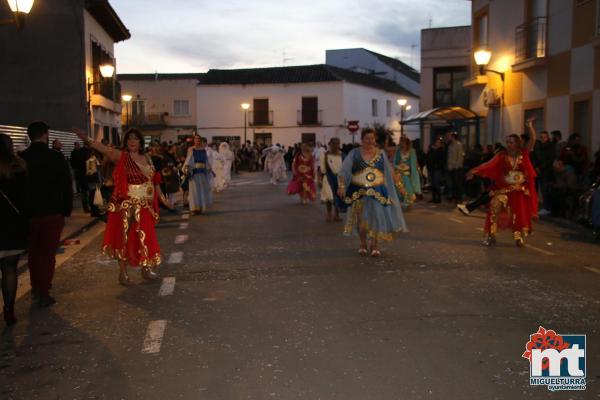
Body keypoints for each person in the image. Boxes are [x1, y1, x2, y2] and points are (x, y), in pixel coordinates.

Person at [74, 128, 170, 285]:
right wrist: (87, 139)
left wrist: (163, 198)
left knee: (145, 237)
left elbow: (155, 180)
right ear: (125, 142)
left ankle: (146, 268)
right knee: (124, 237)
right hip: (127, 205)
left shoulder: (147, 157)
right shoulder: (122, 157)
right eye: (129, 139)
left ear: (140, 142)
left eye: (135, 138)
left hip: (145, 206)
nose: (132, 141)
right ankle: (123, 273)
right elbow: (104, 149)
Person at [20, 122, 73, 306]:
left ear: (29, 136)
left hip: (29, 213)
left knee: (34, 253)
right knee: (48, 253)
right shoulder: (56, 157)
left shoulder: (21, 158)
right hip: (52, 211)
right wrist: (66, 209)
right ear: (45, 135)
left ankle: (36, 287)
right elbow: (66, 185)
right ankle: (44, 290)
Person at [466, 119, 538, 247]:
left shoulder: (523, 153)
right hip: (502, 189)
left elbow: (533, 140)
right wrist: (475, 171)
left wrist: (530, 127)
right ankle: (491, 236)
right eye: (507, 142)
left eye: (511, 142)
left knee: (518, 214)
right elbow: (488, 165)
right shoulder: (501, 155)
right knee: (494, 209)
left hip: (518, 190)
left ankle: (518, 237)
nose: (508, 144)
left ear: (517, 143)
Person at [337, 128, 407, 257]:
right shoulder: (354, 153)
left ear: (375, 140)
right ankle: (363, 244)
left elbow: (390, 171)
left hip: (377, 191)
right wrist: (341, 186)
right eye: (367, 138)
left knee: (376, 218)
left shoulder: (380, 154)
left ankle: (375, 246)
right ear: (362, 140)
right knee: (361, 220)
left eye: (372, 138)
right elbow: (344, 171)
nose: (370, 141)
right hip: (358, 191)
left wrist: (400, 186)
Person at [0, 134, 28, 325]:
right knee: (10, 269)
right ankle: (9, 309)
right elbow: (26, 197)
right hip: (11, 225)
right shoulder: (18, 167)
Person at [184, 135, 213, 214]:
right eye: (196, 139)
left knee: (201, 190)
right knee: (194, 191)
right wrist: (187, 169)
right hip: (194, 172)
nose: (198, 140)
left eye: (199, 139)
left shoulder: (203, 149)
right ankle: (194, 208)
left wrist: (210, 169)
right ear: (194, 140)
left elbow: (206, 160)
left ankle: (200, 207)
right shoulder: (191, 149)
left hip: (202, 172)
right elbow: (188, 160)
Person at [318, 137, 345, 222]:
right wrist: (319, 179)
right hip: (328, 178)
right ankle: (329, 214)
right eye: (333, 143)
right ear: (329, 144)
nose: (335, 145)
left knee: (338, 196)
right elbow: (321, 169)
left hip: (340, 179)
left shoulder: (343, 155)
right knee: (329, 197)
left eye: (337, 143)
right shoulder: (325, 155)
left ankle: (336, 215)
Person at [392, 136, 422, 208]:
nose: (401, 143)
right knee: (399, 187)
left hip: (408, 173)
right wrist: (397, 166)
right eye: (400, 141)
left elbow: (413, 163)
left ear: (406, 143)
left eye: (402, 142)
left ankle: (408, 202)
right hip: (399, 172)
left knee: (408, 187)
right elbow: (395, 162)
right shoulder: (398, 151)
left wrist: (410, 169)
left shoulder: (412, 151)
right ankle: (403, 201)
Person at [532, 131, 556, 215]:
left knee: (545, 190)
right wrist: (535, 167)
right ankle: (535, 206)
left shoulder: (551, 146)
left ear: (547, 137)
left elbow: (550, 159)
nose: (542, 139)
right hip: (537, 171)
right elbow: (534, 156)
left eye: (544, 137)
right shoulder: (538, 146)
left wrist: (541, 167)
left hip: (546, 172)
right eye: (541, 137)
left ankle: (546, 207)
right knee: (536, 189)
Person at [446, 131, 465, 202]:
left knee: (458, 183)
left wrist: (457, 166)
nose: (448, 137)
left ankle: (459, 198)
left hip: (457, 167)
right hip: (450, 167)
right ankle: (455, 197)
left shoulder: (458, 145)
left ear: (453, 137)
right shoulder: (450, 145)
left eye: (450, 136)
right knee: (453, 183)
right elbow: (449, 157)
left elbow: (460, 157)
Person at [426, 137, 446, 203]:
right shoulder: (431, 150)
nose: (437, 143)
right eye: (436, 142)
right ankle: (434, 198)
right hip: (431, 168)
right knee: (432, 183)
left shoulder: (441, 150)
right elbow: (428, 158)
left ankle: (438, 198)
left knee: (436, 183)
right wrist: (428, 166)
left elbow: (442, 160)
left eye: (439, 142)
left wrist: (438, 165)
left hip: (437, 169)